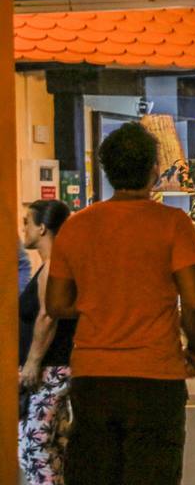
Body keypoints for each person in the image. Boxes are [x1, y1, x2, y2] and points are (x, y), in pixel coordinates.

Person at [46, 122, 195, 485]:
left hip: (93, 376)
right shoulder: (174, 223)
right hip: (156, 376)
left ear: (106, 170)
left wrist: (99, 302)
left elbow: (56, 304)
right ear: (154, 168)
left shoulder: (76, 226)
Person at [19, 199, 74, 485]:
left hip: (50, 371)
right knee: (52, 447)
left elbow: (47, 316)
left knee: (34, 448)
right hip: (55, 370)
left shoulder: (53, 267)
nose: (23, 229)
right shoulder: (51, 266)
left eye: (27, 222)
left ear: (42, 228)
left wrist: (32, 363)